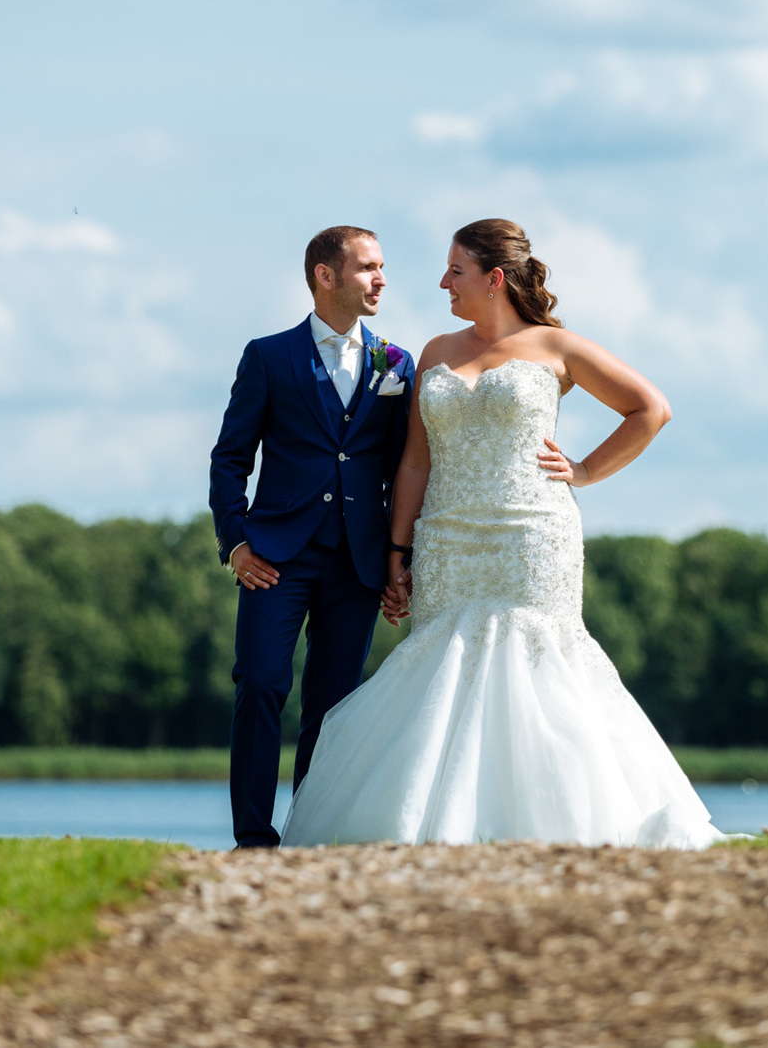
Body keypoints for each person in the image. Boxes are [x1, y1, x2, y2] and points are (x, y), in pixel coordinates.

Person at [281, 218, 721, 848]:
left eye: (454, 271)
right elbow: (414, 461)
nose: (442, 282)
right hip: (446, 541)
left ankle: (560, 825)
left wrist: (586, 470)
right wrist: (398, 551)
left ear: (493, 279)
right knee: (441, 670)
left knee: (535, 666)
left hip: (531, 538)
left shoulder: (556, 347)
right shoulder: (435, 353)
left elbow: (650, 408)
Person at [208, 225, 413, 849]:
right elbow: (230, 457)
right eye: (368, 268)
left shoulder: (397, 363)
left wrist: (400, 559)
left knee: (332, 704)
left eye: (381, 267)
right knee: (263, 680)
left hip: (358, 560)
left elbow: (406, 464)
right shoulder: (268, 357)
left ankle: (310, 833)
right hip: (274, 556)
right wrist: (235, 543)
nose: (381, 279)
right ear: (326, 276)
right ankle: (252, 837)